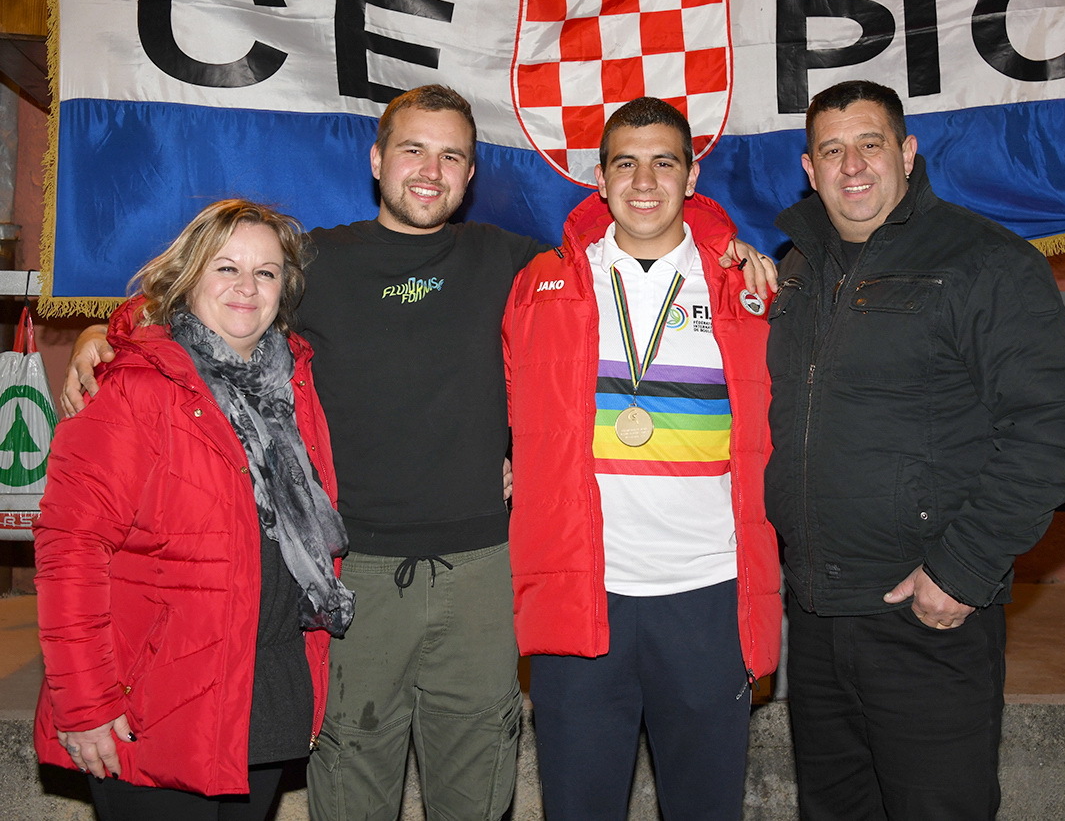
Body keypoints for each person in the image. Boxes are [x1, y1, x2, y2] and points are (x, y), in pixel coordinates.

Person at [61, 85, 777, 821]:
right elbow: (206, 294)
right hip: (352, 578)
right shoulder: (315, 261)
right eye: (412, 149)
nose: (430, 170)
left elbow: (626, 225)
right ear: (377, 160)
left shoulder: (521, 267)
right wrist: (106, 334)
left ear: (470, 175)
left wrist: (729, 245)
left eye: (451, 155)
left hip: (482, 576)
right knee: (351, 787)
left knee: (477, 792)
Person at [765, 80, 1065, 820]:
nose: (852, 165)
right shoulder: (797, 269)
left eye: (870, 144)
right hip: (816, 620)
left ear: (907, 153)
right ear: (808, 169)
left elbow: (1053, 430)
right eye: (832, 149)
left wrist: (960, 568)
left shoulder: (985, 261)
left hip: (927, 620)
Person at [503, 97, 782, 820]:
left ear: (692, 177)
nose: (645, 180)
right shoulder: (542, 288)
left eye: (665, 161)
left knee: (703, 807)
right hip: (582, 596)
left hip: (709, 594)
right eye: (625, 162)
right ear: (600, 178)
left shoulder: (747, 290)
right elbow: (503, 400)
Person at [35, 199, 354, 821]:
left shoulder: (291, 385)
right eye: (225, 267)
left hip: (261, 693)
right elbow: (69, 550)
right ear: (188, 277)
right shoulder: (130, 386)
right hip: (151, 705)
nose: (246, 287)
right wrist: (84, 704)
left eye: (266, 272)